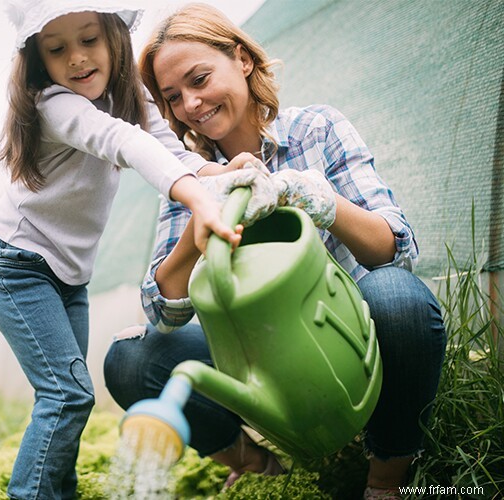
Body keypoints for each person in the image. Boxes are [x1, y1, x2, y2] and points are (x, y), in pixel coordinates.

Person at [103, 4, 447, 499]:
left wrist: (318, 199)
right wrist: (201, 212)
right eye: (173, 97)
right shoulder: (189, 178)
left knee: (399, 297)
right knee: (130, 359)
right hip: (252, 353)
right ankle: (259, 465)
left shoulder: (317, 130)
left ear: (241, 59)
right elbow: (163, 313)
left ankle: (385, 478)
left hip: (341, 336)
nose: (192, 104)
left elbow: (394, 250)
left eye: (200, 79)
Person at [0, 1, 242, 498]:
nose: (77, 58)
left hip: (66, 276)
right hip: (15, 266)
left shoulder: (126, 93)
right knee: (67, 395)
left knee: (67, 397)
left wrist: (217, 176)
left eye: (88, 40)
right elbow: (124, 141)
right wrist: (196, 198)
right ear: (39, 60)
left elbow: (167, 146)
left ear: (115, 37)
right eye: (57, 49)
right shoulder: (55, 105)